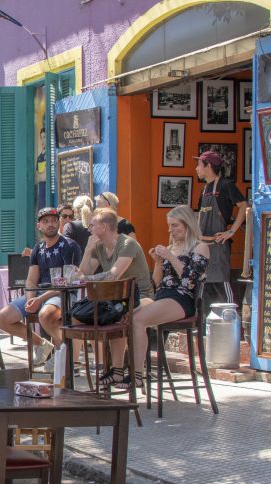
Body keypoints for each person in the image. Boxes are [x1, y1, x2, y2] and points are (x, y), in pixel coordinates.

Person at [122, 205, 210, 391]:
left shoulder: (200, 247)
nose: (171, 230)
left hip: (182, 299)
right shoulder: (172, 247)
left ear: (187, 225)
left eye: (175, 226)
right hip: (162, 296)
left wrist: (170, 256)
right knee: (124, 315)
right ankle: (119, 369)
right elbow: (156, 283)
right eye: (169, 226)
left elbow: (190, 281)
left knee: (138, 320)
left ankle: (136, 375)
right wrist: (159, 263)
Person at [74, 208, 155, 385]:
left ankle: (137, 375)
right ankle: (117, 371)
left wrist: (86, 278)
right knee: (110, 317)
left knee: (126, 317)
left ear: (103, 227)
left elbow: (113, 275)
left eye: (92, 225)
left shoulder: (127, 244)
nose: (89, 229)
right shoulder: (99, 248)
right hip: (118, 299)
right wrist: (87, 250)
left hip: (142, 296)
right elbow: (83, 273)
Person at [0, 207, 83, 367]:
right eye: (46, 221)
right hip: (40, 294)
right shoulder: (38, 249)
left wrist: (39, 299)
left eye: (54, 221)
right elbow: (31, 280)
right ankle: (42, 345)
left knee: (45, 315)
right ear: (39, 226)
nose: (51, 224)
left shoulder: (70, 246)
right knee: (1, 319)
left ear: (59, 223)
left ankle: (62, 354)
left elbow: (68, 282)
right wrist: (30, 300)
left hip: (63, 294)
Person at [194, 150, 247, 310]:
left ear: (208, 166)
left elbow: (243, 205)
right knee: (203, 288)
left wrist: (231, 232)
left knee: (222, 286)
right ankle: (201, 326)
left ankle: (234, 321)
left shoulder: (226, 186)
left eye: (199, 165)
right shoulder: (204, 190)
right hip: (202, 245)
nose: (196, 168)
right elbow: (198, 215)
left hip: (218, 246)